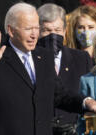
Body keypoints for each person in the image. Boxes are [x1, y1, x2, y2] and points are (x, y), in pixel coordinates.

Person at [0, 2, 96, 135]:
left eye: (37, 28)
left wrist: (87, 102)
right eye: (28, 29)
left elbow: (58, 93)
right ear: (11, 31)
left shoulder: (44, 56)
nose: (34, 34)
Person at [37, 3, 92, 135]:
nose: (53, 35)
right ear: (38, 31)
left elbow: (89, 93)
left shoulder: (81, 58)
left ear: (65, 31)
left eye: (57, 30)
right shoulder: (30, 59)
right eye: (47, 30)